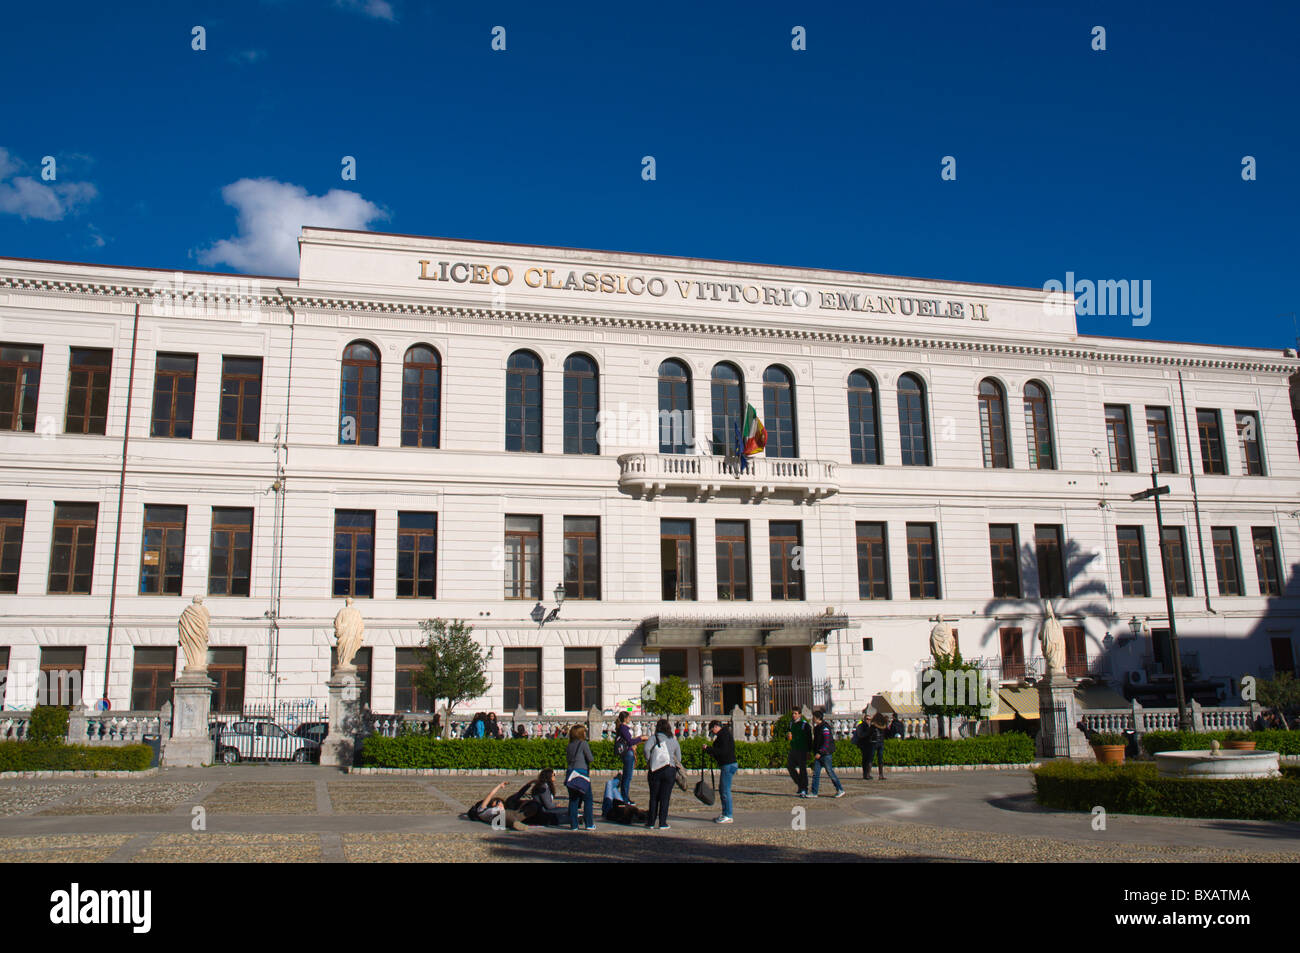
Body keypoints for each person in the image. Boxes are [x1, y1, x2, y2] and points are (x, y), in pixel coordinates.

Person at [644, 718, 681, 830]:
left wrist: (649, 760)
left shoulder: (654, 738)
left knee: (654, 796)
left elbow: (646, 749)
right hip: (669, 769)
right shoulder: (673, 740)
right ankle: (663, 823)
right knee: (665, 797)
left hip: (655, 769)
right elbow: (679, 757)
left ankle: (651, 822)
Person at [703, 719, 737, 823]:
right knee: (723, 789)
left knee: (725, 790)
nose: (712, 732)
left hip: (728, 764)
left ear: (716, 727)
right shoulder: (725, 734)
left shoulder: (723, 735)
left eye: (712, 729)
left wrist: (709, 749)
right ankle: (726, 813)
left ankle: (728, 814)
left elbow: (722, 751)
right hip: (730, 763)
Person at [565, 724, 596, 831]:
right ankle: (589, 823)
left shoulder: (569, 745)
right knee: (587, 799)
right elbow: (590, 758)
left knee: (573, 800)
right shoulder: (583, 744)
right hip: (581, 773)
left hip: (571, 773)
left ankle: (574, 825)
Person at [614, 711, 647, 804]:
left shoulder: (623, 728)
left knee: (627, 776)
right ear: (625, 718)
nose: (630, 719)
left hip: (628, 752)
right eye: (629, 717)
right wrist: (641, 738)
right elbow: (629, 741)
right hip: (628, 753)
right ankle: (625, 798)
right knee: (627, 777)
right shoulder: (623, 728)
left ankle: (625, 797)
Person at [810, 710, 844, 798]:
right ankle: (814, 792)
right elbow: (816, 742)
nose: (812, 719)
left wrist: (820, 752)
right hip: (819, 754)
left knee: (830, 772)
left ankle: (840, 789)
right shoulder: (817, 728)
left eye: (813, 717)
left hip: (826, 754)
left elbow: (826, 742)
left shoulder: (825, 728)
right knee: (816, 773)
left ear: (817, 718)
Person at [786, 707, 812, 797]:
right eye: (793, 713)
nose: (793, 715)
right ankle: (800, 784)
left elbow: (809, 739)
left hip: (802, 749)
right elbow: (789, 734)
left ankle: (804, 788)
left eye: (795, 713)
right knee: (790, 766)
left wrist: (809, 751)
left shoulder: (804, 725)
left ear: (800, 714)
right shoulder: (791, 724)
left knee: (802, 769)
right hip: (794, 748)